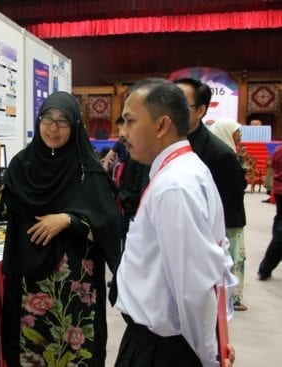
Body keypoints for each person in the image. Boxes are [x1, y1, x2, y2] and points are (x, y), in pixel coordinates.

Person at [0, 91, 121, 367]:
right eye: (47, 119)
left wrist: (68, 220)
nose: (53, 128)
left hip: (74, 295)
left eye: (62, 121)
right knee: (30, 354)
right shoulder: (22, 165)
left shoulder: (87, 171)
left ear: (75, 126)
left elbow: (109, 226)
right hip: (29, 289)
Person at [113, 78, 236, 367]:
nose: (122, 132)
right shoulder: (181, 171)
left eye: (130, 121)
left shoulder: (175, 186)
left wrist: (210, 358)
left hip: (163, 351)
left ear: (161, 125)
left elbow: (195, 287)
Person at [174, 78, 248, 311]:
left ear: (201, 110)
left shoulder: (220, 154)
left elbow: (229, 207)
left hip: (203, 247)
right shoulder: (162, 143)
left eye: (181, 105)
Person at [209, 118, 248, 311]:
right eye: (236, 132)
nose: (239, 136)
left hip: (225, 215)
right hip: (231, 217)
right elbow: (237, 188)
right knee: (234, 257)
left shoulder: (222, 153)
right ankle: (234, 297)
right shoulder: (226, 156)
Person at [258, 144, 282, 280]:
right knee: (280, 234)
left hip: (278, 189)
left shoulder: (279, 149)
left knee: (279, 219)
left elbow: (272, 164)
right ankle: (265, 268)